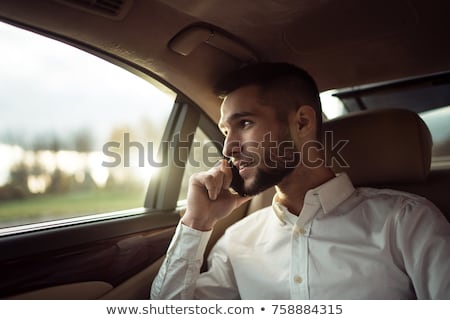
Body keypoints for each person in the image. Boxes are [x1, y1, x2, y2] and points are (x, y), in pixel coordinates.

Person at [151, 63, 450, 299]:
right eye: (226, 131)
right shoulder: (236, 241)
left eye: (244, 123)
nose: (228, 149)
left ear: (302, 122)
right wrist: (196, 222)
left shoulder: (406, 222)